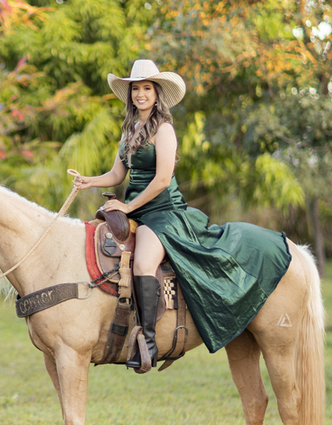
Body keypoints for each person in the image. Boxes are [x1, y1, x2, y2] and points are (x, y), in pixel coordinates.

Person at [72, 59, 292, 371]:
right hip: (136, 208)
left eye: (146, 88)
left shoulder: (164, 130)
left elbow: (162, 180)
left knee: (145, 262)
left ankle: (147, 340)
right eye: (136, 89)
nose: (141, 94)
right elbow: (116, 174)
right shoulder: (128, 131)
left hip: (162, 212)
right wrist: (89, 181)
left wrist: (127, 207)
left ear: (157, 93)